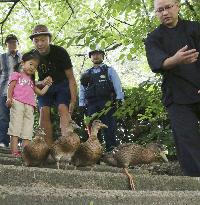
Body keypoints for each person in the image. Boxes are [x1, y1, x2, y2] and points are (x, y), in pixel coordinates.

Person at [145, 0, 200, 176]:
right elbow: (158, 63)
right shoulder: (153, 38)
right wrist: (176, 59)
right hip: (176, 96)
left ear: (178, 6)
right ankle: (195, 181)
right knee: (186, 138)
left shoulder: (195, 28)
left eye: (168, 7)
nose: (165, 13)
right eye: (159, 10)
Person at [30, 24, 77, 146]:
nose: (40, 43)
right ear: (33, 42)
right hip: (44, 88)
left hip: (62, 85)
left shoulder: (60, 52)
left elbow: (71, 78)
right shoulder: (31, 57)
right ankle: (48, 148)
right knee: (43, 111)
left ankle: (67, 146)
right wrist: (41, 82)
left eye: (43, 40)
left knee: (63, 108)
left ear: (49, 39)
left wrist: (73, 100)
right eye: (36, 41)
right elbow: (28, 82)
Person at [6, 51, 52, 157]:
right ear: (23, 63)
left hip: (30, 106)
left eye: (35, 67)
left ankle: (25, 153)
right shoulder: (16, 74)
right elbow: (11, 87)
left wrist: (48, 84)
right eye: (31, 64)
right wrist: (9, 98)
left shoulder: (31, 81)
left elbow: (41, 92)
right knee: (16, 126)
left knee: (28, 129)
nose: (32, 68)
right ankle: (14, 151)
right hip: (17, 103)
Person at [79, 49, 124, 152]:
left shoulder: (109, 70)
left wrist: (119, 99)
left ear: (103, 56)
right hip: (91, 105)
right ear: (91, 58)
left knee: (109, 127)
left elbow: (118, 86)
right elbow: (82, 90)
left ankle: (111, 151)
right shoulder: (86, 73)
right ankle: (95, 153)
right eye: (93, 55)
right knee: (93, 129)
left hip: (107, 103)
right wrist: (81, 104)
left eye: (98, 54)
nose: (96, 56)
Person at [0, 34, 21, 148]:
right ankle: (3, 142)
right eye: (9, 42)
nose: (12, 44)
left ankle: (18, 143)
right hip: (3, 91)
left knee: (18, 117)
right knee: (3, 117)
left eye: (14, 42)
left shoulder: (23, 58)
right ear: (6, 44)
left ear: (18, 43)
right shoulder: (1, 58)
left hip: (20, 93)